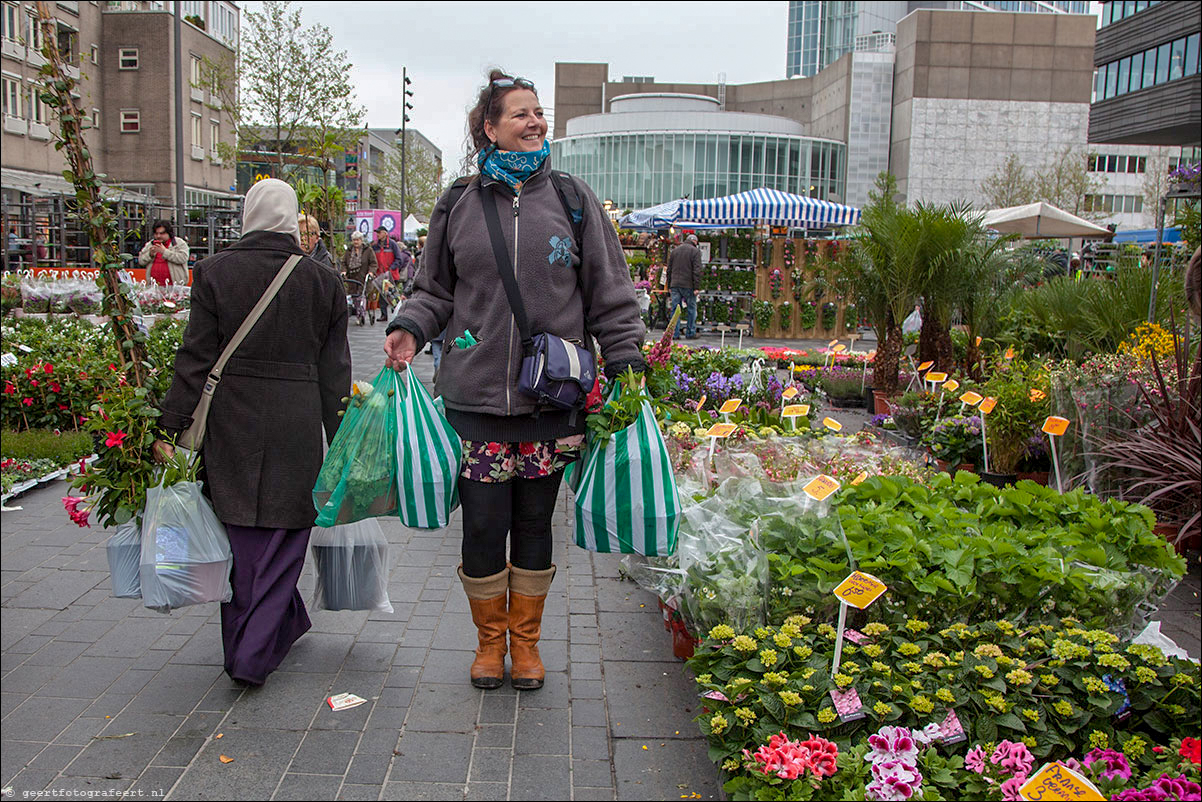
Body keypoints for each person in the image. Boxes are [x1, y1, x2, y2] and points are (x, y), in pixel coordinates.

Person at [383, 69, 645, 692]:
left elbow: (610, 293)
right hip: (474, 398)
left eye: (538, 113)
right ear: (489, 128)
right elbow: (433, 290)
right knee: (480, 527)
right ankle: (487, 644)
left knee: (533, 527)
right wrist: (408, 330)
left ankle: (525, 647)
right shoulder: (458, 204)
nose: (535, 122)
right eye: (520, 114)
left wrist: (627, 362)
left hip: (550, 400)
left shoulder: (574, 200)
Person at [153, 178, 351, 687]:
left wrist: (170, 427)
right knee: (286, 541)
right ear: (290, 218)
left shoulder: (214, 273)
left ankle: (251, 644)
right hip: (296, 422)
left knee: (241, 543)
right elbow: (335, 376)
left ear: (248, 215)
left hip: (233, 422)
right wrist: (344, 440)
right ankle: (253, 654)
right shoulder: (324, 282)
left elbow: (195, 358)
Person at [667, 233, 703, 339]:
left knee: (675, 309)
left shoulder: (675, 251)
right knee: (691, 309)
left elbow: (669, 269)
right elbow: (697, 270)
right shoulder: (695, 251)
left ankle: (674, 333)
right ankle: (690, 332)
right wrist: (696, 287)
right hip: (689, 285)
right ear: (695, 242)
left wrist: (669, 284)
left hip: (675, 284)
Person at [370, 226, 407, 322]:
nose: (377, 234)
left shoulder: (393, 244)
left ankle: (398, 313)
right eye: (377, 232)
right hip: (380, 275)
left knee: (393, 295)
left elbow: (399, 259)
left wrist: (391, 269)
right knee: (383, 296)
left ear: (385, 233)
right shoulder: (375, 246)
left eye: (379, 232)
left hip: (391, 275)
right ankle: (384, 314)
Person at [137, 220, 190, 286]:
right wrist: (150, 255)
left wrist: (164, 252)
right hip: (154, 287)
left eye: (162, 233)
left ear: (169, 233)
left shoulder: (179, 243)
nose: (158, 236)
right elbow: (141, 261)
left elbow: (183, 258)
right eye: (156, 233)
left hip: (175, 287)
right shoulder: (150, 244)